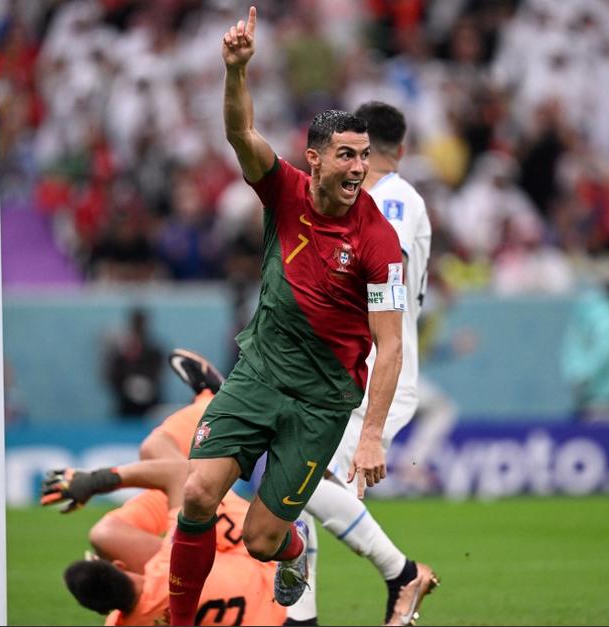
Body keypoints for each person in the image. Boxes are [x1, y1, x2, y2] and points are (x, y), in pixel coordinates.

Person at [170, 7, 405, 626]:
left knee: (261, 540)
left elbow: (391, 343)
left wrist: (373, 432)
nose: (359, 167)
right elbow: (241, 135)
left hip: (320, 403)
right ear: (316, 159)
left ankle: (294, 547)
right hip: (260, 375)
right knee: (196, 493)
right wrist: (235, 72)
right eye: (347, 155)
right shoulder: (286, 191)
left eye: (365, 156)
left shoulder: (381, 242)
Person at [287, 101, 438, 627]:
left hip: (378, 371)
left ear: (367, 149)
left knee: (305, 485)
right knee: (300, 489)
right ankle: (300, 618)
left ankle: (402, 573)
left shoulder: (393, 199)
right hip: (347, 369)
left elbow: (377, 254)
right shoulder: (368, 200)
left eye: (354, 149)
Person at [42, 350, 285, 625]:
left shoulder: (121, 623)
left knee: (125, 510)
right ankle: (213, 401)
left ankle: (211, 402)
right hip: (253, 555)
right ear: (121, 566)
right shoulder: (169, 566)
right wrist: (96, 481)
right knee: (153, 454)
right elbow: (179, 474)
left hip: (263, 609)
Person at [560, 267, 609, 422]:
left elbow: (571, 349)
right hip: (608, 398)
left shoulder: (585, 309)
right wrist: (584, 376)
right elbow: (604, 350)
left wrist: (576, 375)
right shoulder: (607, 314)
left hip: (595, 395)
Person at [103, 307, 164, 420]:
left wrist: (144, 384)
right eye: (137, 324)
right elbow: (112, 375)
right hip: (126, 405)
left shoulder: (154, 352)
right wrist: (127, 385)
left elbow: (158, 374)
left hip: (151, 404)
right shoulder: (121, 353)